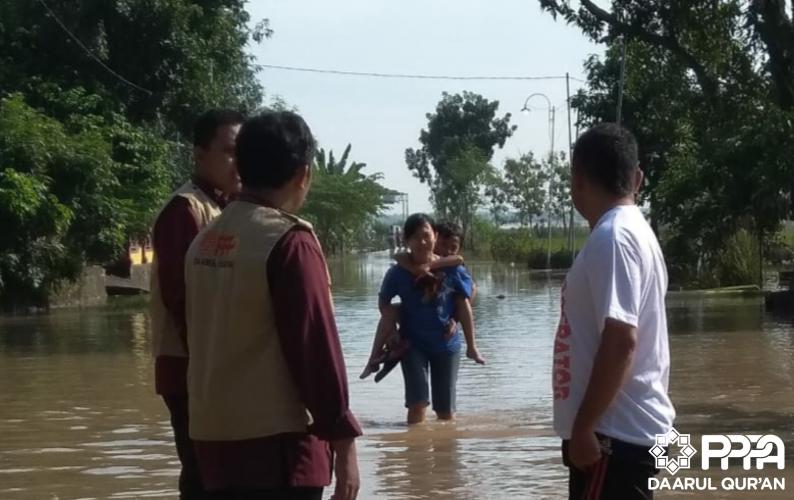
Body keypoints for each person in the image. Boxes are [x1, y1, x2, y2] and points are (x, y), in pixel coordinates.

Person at [184, 111, 361, 500]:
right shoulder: (288, 242)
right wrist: (343, 440)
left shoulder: (204, 239)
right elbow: (316, 349)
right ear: (303, 175)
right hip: (278, 448)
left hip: (214, 443)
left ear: (242, 167)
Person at [552, 123, 675, 499]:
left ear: (576, 181)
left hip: (613, 438)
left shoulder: (614, 237)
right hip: (617, 436)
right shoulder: (632, 231)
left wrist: (585, 425)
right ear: (638, 178)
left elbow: (622, 339)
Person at [149, 108, 243, 499]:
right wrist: (214, 364)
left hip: (215, 365)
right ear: (199, 154)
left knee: (222, 472)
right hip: (190, 366)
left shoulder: (230, 207)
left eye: (243, 152)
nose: (238, 162)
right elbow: (182, 299)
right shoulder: (184, 211)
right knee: (203, 473)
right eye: (229, 151)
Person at [379, 214, 475, 424]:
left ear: (435, 236)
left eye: (426, 236)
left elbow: (467, 296)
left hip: (446, 343)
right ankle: (415, 454)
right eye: (415, 237)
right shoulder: (397, 272)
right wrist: (393, 331)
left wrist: (455, 320)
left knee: (446, 412)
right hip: (413, 344)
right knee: (417, 404)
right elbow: (384, 302)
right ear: (406, 241)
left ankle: (445, 453)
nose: (422, 242)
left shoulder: (451, 268)